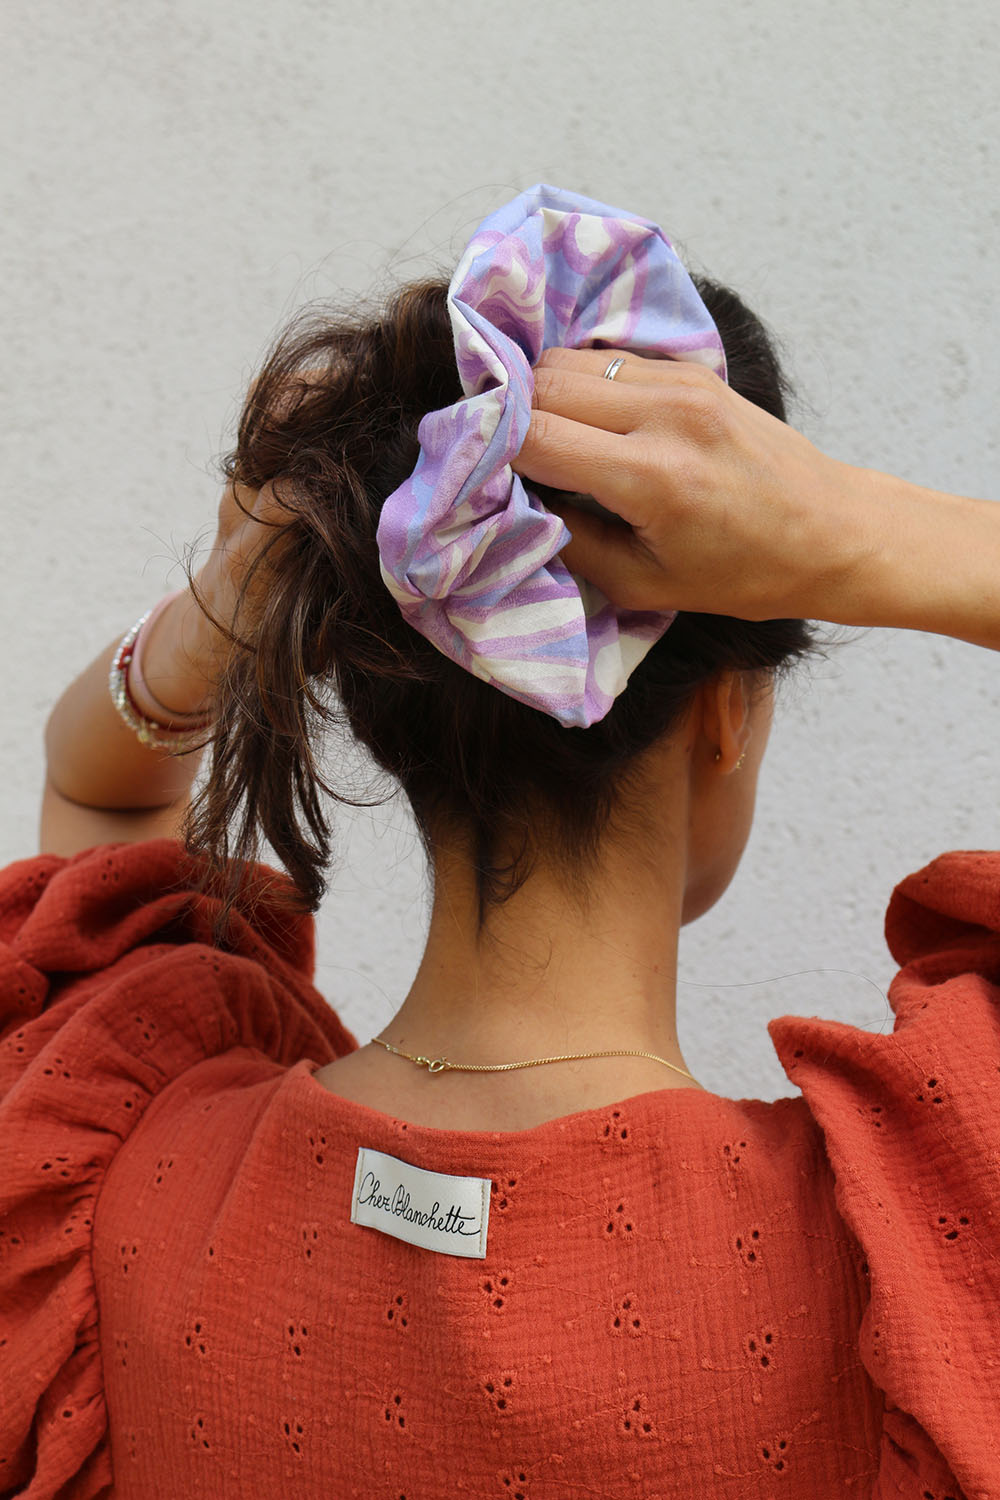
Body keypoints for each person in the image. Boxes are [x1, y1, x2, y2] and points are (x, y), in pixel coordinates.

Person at [2, 186, 997, 1498]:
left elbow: (98, 796)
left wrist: (230, 600)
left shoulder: (114, 1173)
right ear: (728, 713)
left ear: (380, 694)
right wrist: (862, 535)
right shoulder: (925, 1251)